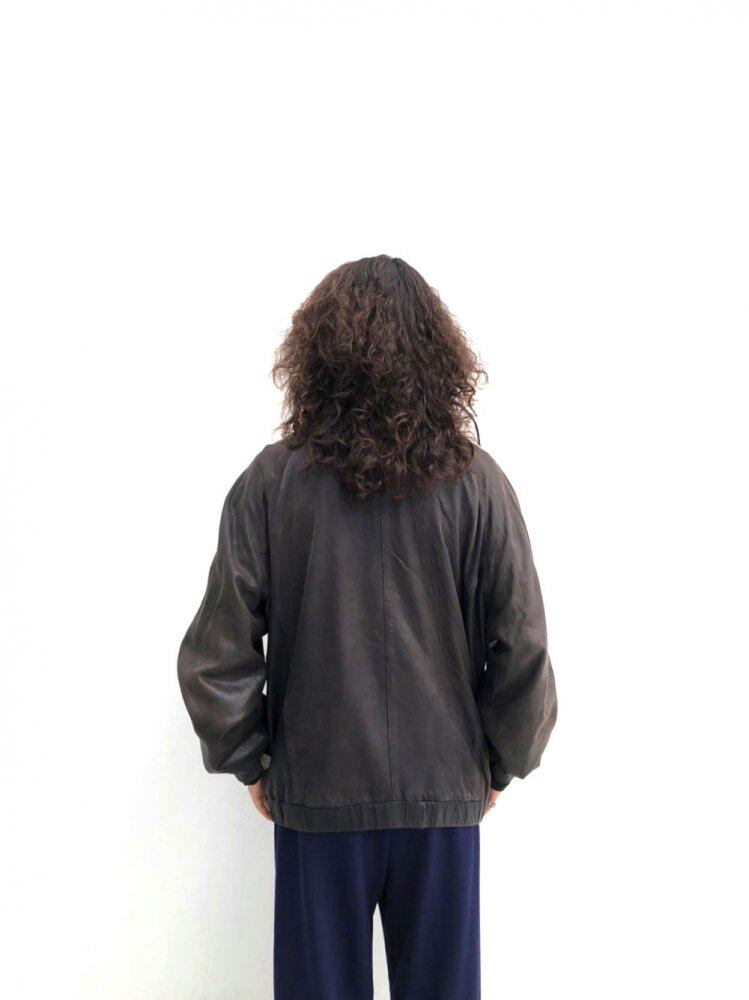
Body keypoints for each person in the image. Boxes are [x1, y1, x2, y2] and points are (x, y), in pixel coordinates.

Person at [177, 255, 558, 1000]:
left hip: (319, 793)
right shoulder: (478, 484)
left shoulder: (271, 482)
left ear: (316, 356)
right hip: (441, 795)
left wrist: (252, 760)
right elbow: (523, 646)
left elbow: (217, 654)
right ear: (437, 355)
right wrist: (499, 764)